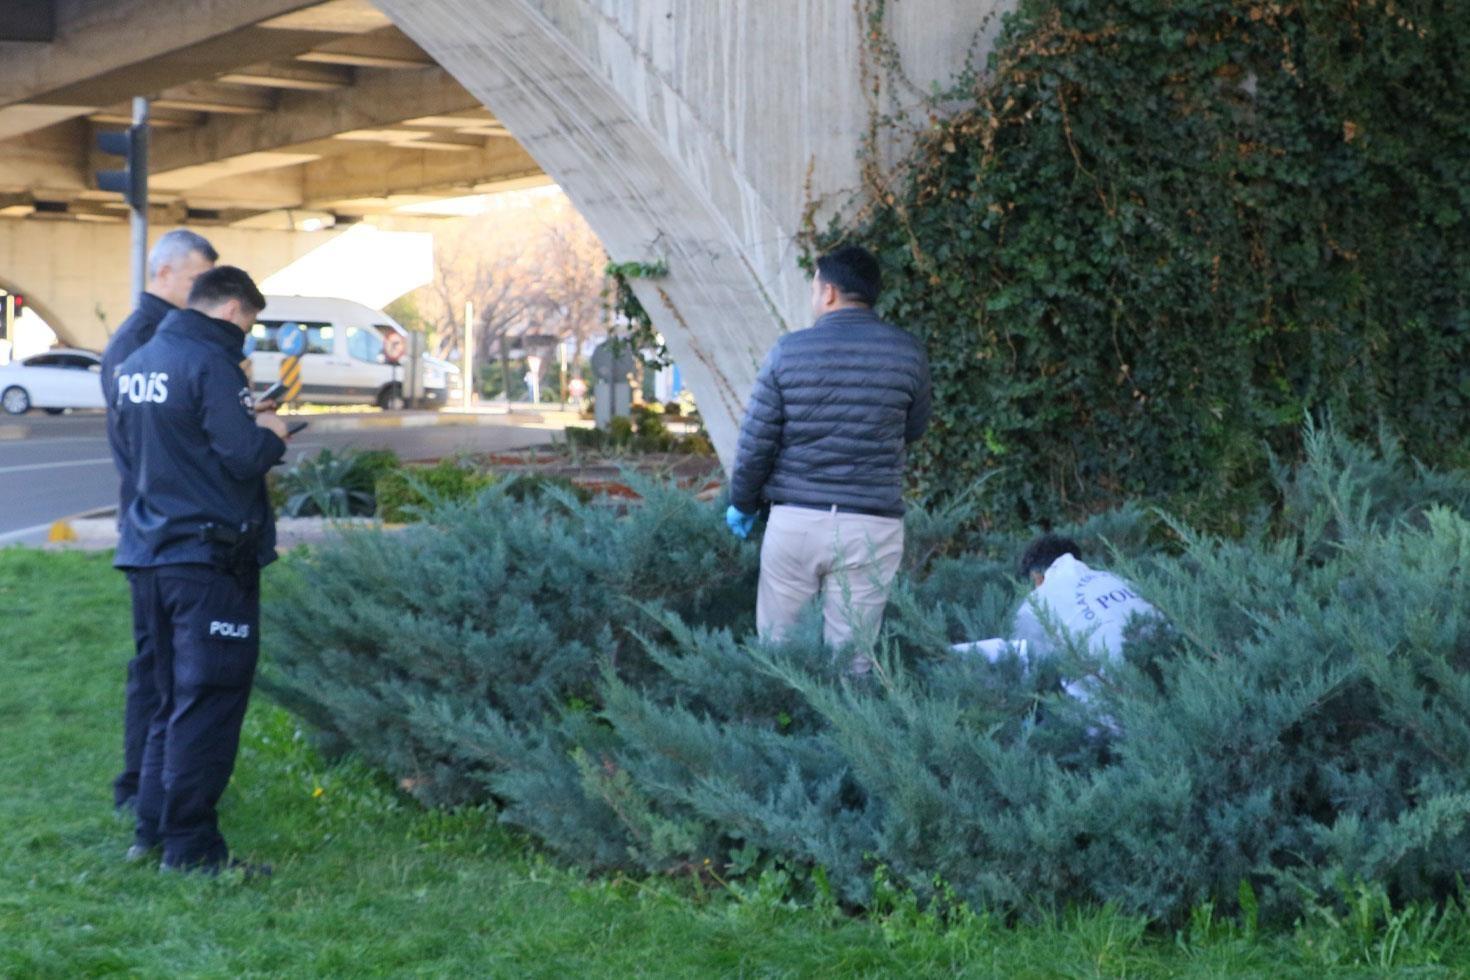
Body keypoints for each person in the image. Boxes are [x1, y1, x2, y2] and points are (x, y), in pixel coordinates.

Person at [112, 266, 291, 874]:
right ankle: (192, 850)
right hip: (210, 560)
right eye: (249, 323)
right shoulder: (211, 361)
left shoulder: (138, 363)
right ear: (235, 310)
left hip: (150, 553)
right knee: (208, 701)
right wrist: (272, 431)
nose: (246, 334)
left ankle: (152, 831)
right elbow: (242, 458)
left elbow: (142, 453)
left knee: (168, 700)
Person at [726, 245, 931, 670]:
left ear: (830, 292)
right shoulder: (908, 352)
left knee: (781, 655)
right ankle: (845, 736)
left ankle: (779, 731)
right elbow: (913, 429)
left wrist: (743, 504)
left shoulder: (789, 351)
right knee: (855, 662)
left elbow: (756, 443)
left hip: (796, 522)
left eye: (815, 287)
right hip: (872, 525)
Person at [101, 229, 218, 816]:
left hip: (157, 528)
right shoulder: (141, 343)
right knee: (155, 667)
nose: (206, 294)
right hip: (157, 532)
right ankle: (139, 789)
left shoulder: (162, 338)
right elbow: (141, 449)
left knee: (167, 665)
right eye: (198, 281)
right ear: (164, 274)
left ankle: (161, 786)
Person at [953, 534, 1159, 703]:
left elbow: (1027, 671)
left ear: (1037, 577)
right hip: (1169, 681)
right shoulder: (1118, 579)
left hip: (1112, 706)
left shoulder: (1038, 602)